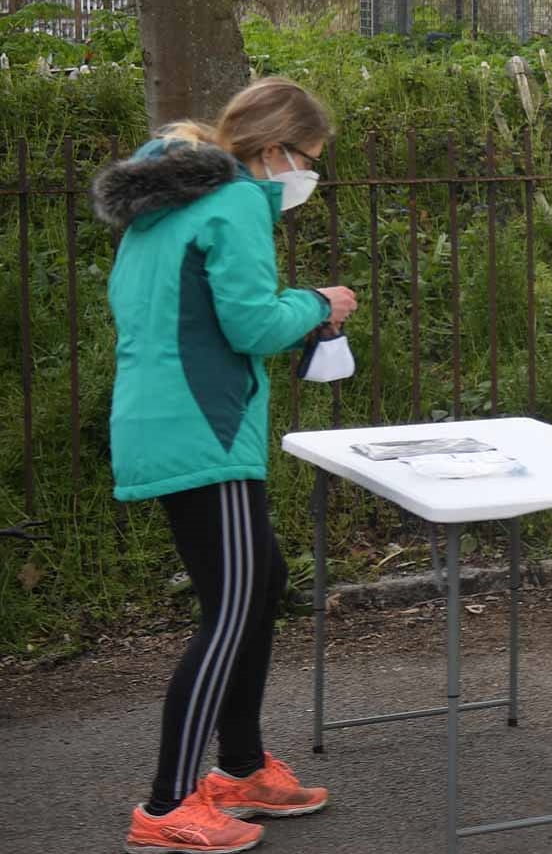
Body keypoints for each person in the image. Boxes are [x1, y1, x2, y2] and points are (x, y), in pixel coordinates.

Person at [94, 78, 356, 853]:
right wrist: (318, 303)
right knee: (234, 611)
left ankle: (240, 768)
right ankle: (169, 803)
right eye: (310, 159)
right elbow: (250, 322)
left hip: (165, 417)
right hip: (204, 430)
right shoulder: (237, 200)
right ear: (275, 149)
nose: (309, 176)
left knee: (260, 582)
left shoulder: (166, 200)